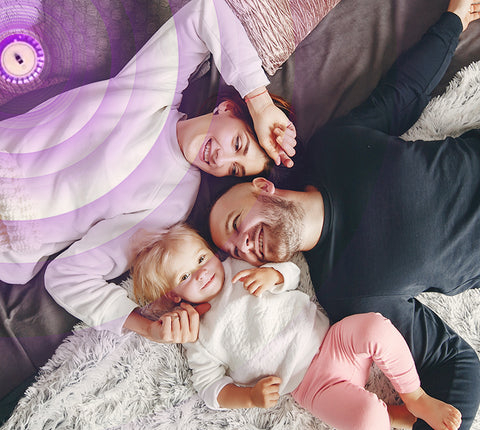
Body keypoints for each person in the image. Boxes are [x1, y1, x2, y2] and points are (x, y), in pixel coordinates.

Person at [208, 1, 480, 428]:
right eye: (236, 252)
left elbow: (403, 94)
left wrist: (454, 19)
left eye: (234, 224)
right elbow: (456, 363)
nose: (243, 245)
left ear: (262, 187)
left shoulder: (332, 148)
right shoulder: (346, 296)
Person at [0, 0, 296, 344]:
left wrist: (146, 327)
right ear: (227, 109)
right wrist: (260, 103)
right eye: (238, 144)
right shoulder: (152, 90)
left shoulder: (172, 203)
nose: (221, 159)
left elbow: (68, 276)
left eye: (233, 168)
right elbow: (207, 11)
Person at [131, 223, 462, 430]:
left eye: (201, 258)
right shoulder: (196, 334)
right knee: (364, 418)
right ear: (173, 295)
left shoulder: (239, 265)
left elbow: (293, 273)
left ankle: (415, 396)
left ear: (210, 251)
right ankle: (389, 416)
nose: (202, 272)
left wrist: (273, 274)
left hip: (333, 340)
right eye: (185, 276)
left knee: (375, 327)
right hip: (311, 386)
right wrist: (249, 398)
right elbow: (209, 388)